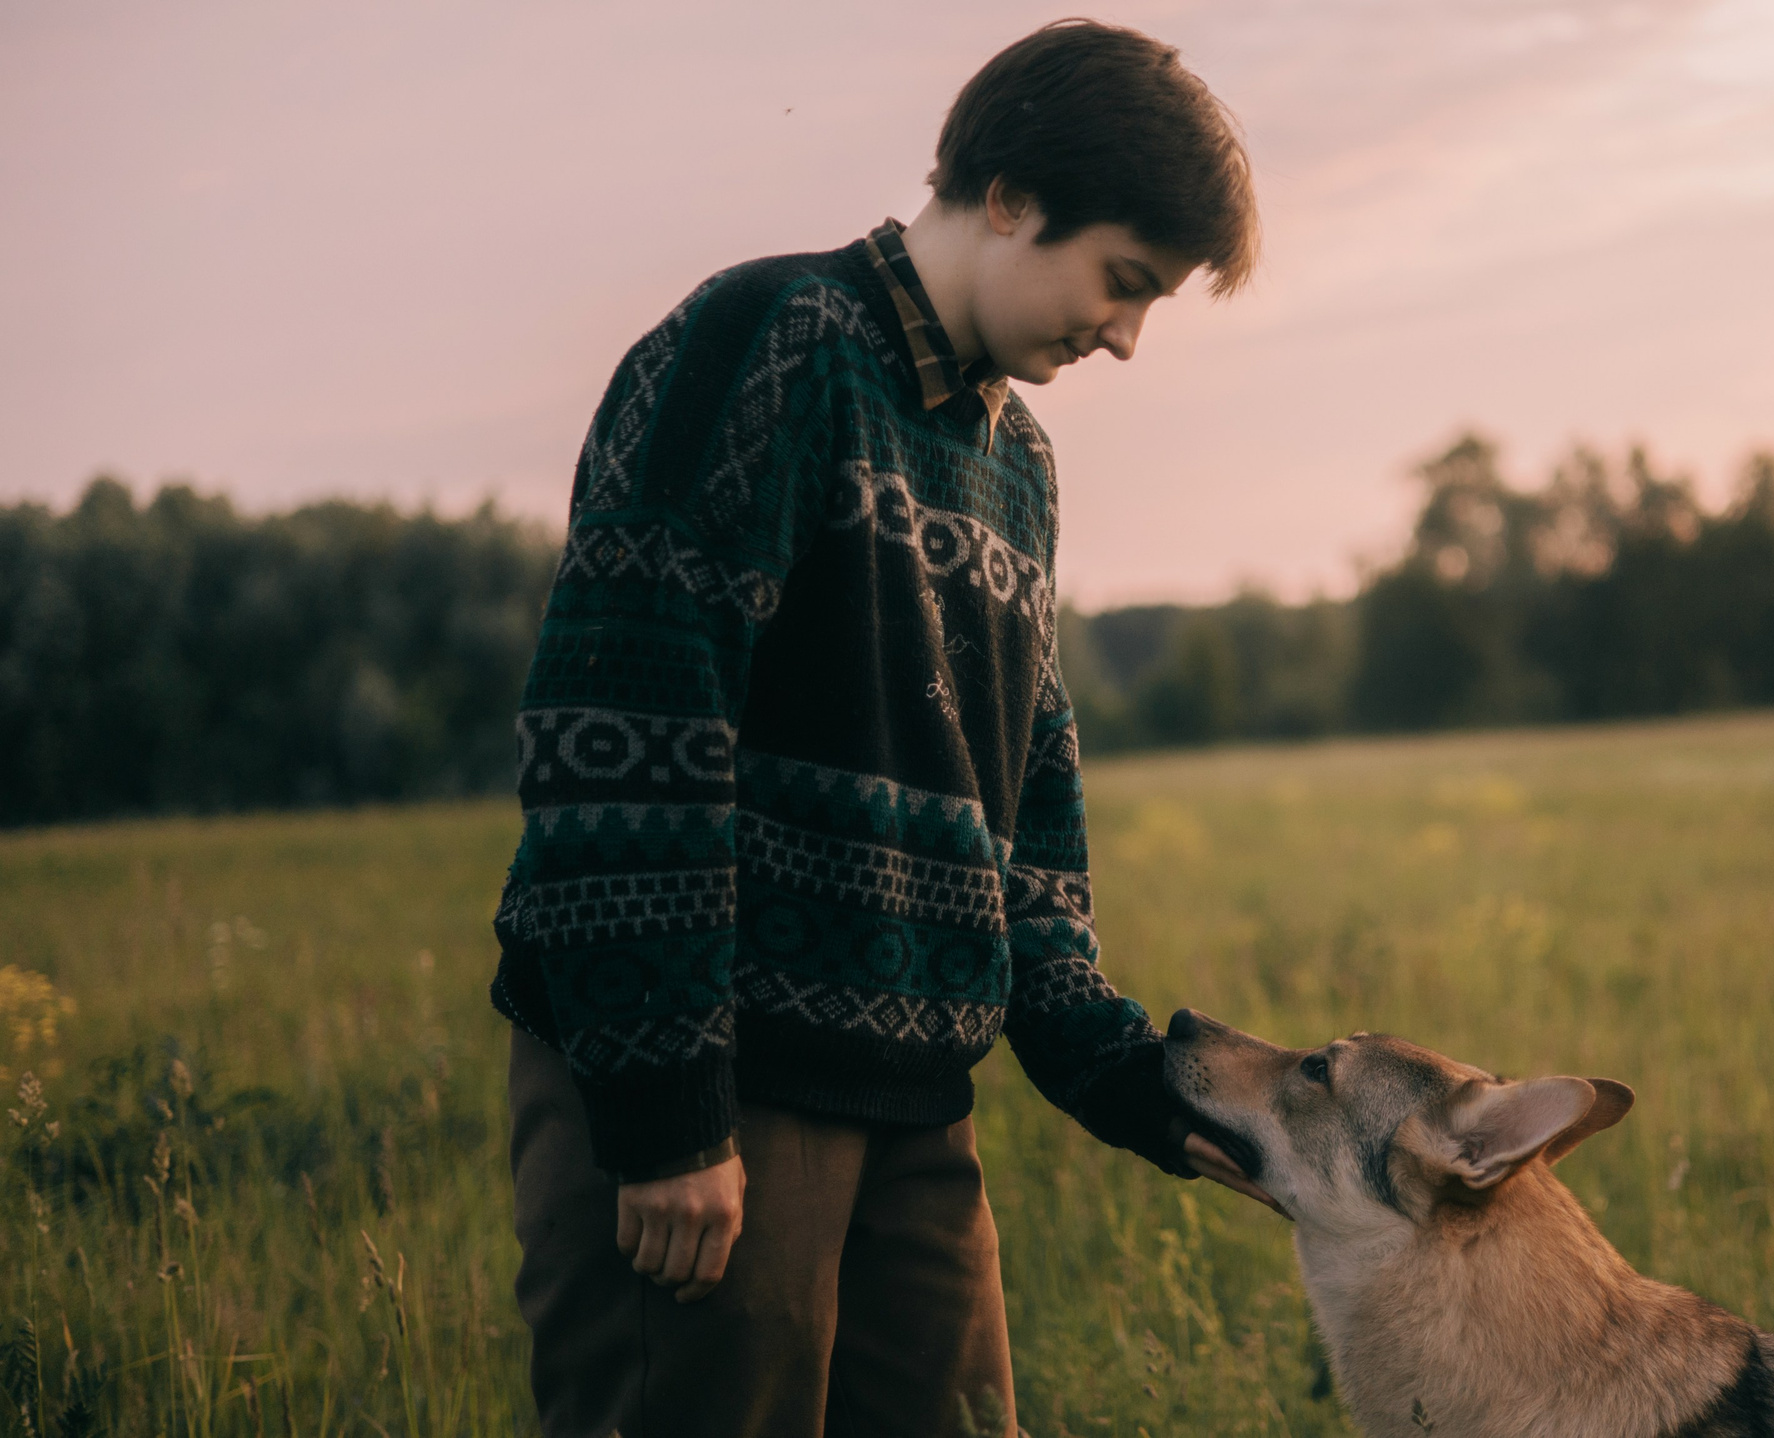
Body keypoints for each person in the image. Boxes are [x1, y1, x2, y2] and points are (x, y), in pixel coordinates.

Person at [488, 21, 1272, 1436]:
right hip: (715, 1091)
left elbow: (1023, 830)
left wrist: (1132, 1083)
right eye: (1123, 281)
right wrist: (669, 1114)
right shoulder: (765, 344)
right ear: (1013, 198)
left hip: (918, 1103)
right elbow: (625, 729)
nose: (1125, 336)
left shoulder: (1019, 466)